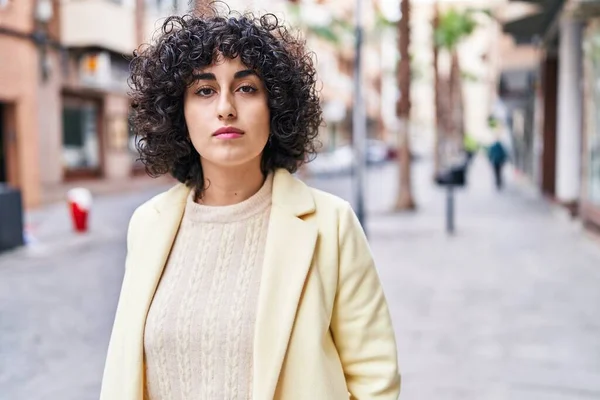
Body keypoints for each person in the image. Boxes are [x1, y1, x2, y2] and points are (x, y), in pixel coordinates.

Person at [100, 8, 400, 400]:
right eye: (204, 90)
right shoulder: (147, 224)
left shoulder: (332, 225)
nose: (225, 107)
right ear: (179, 112)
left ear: (275, 107)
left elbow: (374, 378)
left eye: (246, 88)